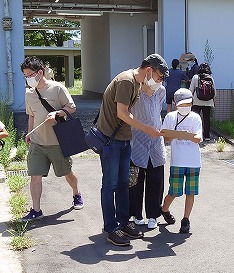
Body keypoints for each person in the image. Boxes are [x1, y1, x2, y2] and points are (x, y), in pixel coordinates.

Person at [97, 53, 169, 246]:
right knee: (110, 184)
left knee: (123, 183)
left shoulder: (137, 83)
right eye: (159, 76)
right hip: (111, 139)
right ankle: (111, 228)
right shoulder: (127, 81)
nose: (159, 81)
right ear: (149, 70)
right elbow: (122, 113)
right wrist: (147, 129)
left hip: (124, 139)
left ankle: (123, 223)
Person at [19, 56, 84, 222]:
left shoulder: (57, 88)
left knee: (66, 173)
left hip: (57, 142)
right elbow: (31, 116)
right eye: (25, 76)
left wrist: (57, 113)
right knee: (35, 176)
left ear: (40, 73)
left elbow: (72, 107)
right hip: (38, 142)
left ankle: (76, 193)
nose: (28, 79)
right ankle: (36, 209)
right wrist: (29, 133)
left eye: (30, 75)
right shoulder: (29, 94)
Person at [160, 88, 202, 233]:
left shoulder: (195, 117)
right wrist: (176, 135)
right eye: (181, 105)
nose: (185, 107)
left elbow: (198, 139)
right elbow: (165, 137)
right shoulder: (170, 117)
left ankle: (186, 220)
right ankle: (164, 209)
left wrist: (184, 135)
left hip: (193, 161)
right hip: (177, 160)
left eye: (187, 104)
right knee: (174, 191)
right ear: (175, 104)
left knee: (190, 192)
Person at [129, 83, 166, 229]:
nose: (159, 80)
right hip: (137, 139)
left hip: (156, 141)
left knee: (156, 179)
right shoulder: (134, 91)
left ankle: (153, 215)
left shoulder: (161, 90)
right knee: (135, 179)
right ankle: (136, 213)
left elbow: (157, 112)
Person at [189, 63, 215, 141]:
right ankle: (206, 136)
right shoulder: (210, 78)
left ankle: (195, 134)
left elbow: (191, 90)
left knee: (195, 118)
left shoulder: (195, 77)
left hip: (197, 101)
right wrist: (213, 101)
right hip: (208, 102)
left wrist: (190, 100)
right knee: (206, 119)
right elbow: (214, 91)